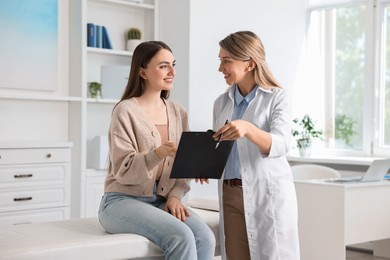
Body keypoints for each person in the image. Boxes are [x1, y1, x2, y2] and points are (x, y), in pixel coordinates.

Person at [98, 41, 216, 260]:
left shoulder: (178, 112)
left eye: (173, 64)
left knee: (205, 238)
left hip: (161, 200)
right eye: (163, 66)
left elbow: (183, 166)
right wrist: (158, 154)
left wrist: (175, 196)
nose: (172, 72)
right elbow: (124, 170)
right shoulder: (125, 111)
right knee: (180, 236)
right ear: (142, 72)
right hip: (121, 201)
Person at [212, 31, 300, 259]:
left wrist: (248, 129)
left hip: (266, 192)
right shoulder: (221, 102)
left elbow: (281, 144)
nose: (220, 68)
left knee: (272, 254)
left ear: (249, 63)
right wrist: (204, 165)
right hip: (229, 194)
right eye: (220, 61)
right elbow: (221, 147)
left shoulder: (277, 98)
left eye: (226, 61)